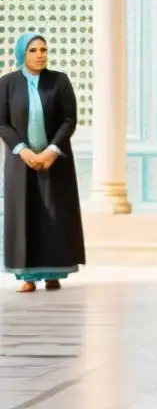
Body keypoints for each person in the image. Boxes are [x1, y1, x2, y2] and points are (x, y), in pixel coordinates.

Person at [0, 33, 85, 293]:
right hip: (20, 161)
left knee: (53, 216)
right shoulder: (7, 84)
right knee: (24, 216)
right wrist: (22, 150)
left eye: (44, 49)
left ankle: (53, 274)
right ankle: (27, 277)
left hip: (54, 161)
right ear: (22, 54)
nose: (40, 54)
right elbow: (3, 123)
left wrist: (51, 151)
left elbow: (68, 120)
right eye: (33, 50)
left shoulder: (59, 81)